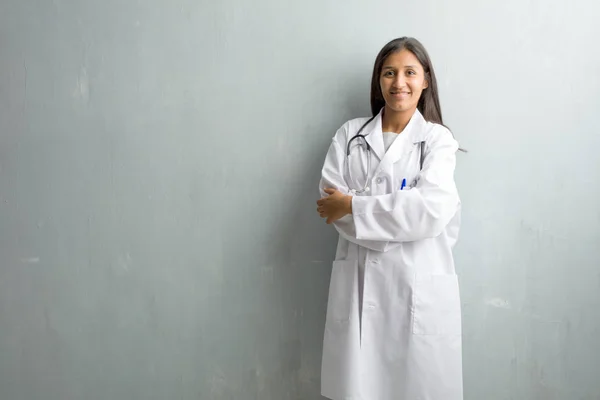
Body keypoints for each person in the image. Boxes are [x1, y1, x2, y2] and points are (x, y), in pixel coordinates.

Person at [316, 37, 463, 400]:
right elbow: (329, 205)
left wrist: (354, 206)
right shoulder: (349, 136)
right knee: (359, 386)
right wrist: (396, 216)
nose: (399, 82)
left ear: (425, 80)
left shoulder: (437, 141)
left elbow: (430, 212)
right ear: (378, 81)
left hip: (416, 287)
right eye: (389, 73)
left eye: (409, 72)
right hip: (359, 288)